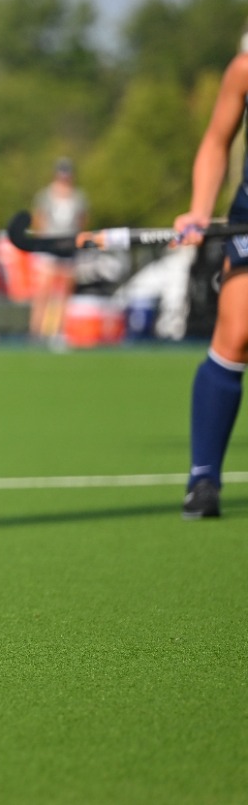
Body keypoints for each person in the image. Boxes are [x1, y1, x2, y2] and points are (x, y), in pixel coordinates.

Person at [173, 35, 248, 520]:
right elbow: (216, 142)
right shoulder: (244, 69)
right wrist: (199, 212)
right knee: (238, 330)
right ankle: (203, 479)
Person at [30, 159, 89, 349]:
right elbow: (39, 219)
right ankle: (36, 332)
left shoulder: (78, 197)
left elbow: (82, 221)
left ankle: (58, 332)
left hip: (68, 247)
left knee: (64, 292)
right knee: (43, 291)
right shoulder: (46, 195)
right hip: (49, 246)